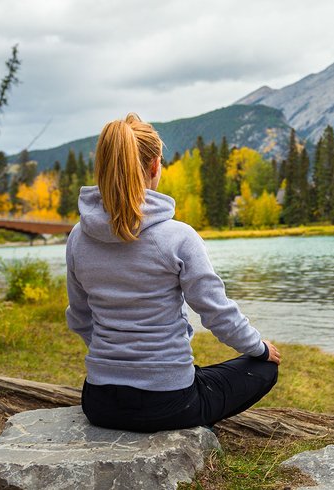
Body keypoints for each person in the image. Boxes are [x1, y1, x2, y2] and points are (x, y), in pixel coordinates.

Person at [65, 113, 280, 432]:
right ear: (155, 167)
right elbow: (217, 314)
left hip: (99, 402)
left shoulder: (77, 238)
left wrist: (117, 361)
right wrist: (259, 348)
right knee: (263, 370)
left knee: (197, 374)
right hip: (167, 405)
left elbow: (80, 317)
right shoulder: (178, 237)